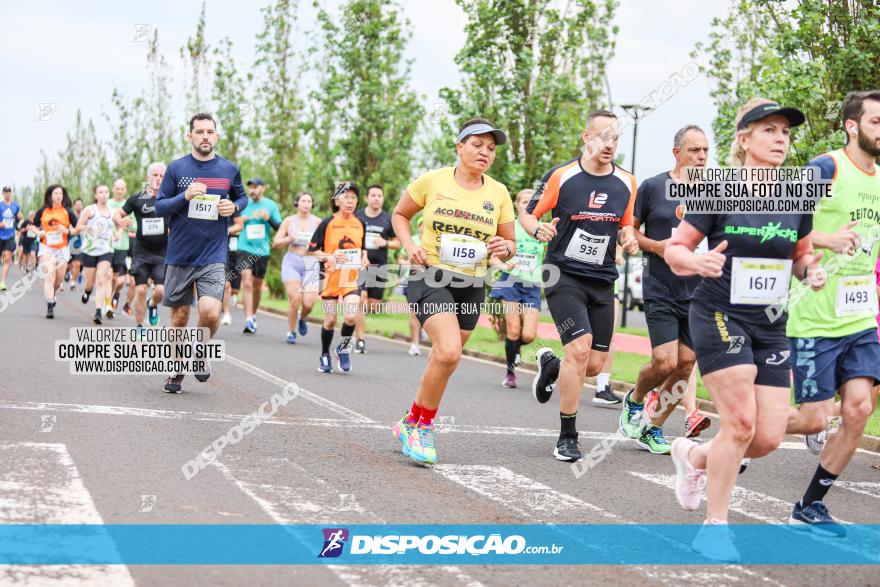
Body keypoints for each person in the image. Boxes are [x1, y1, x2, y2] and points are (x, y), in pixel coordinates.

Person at [665, 98, 822, 562]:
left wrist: (810, 270)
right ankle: (715, 527)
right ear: (744, 139)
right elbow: (676, 249)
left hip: (771, 323)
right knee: (741, 422)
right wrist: (698, 260)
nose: (780, 139)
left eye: (785, 133)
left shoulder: (797, 195)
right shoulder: (718, 189)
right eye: (770, 130)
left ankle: (693, 457)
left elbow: (800, 253)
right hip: (719, 313)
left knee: (770, 434)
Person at [391, 118, 515, 464]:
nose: (484, 153)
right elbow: (400, 215)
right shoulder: (432, 182)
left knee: (444, 359)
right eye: (477, 145)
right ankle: (422, 429)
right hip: (429, 275)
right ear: (459, 147)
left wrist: (503, 248)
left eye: (490, 149)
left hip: (472, 284)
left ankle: (410, 420)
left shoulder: (499, 193)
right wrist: (408, 245)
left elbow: (510, 245)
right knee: (447, 353)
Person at [783, 90, 880, 536]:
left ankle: (809, 504)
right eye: (876, 122)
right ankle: (738, 436)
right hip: (813, 316)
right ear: (852, 125)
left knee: (859, 409)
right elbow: (779, 222)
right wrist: (824, 242)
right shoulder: (826, 168)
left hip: (859, 316)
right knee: (813, 418)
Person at [523, 109, 640, 462]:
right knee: (580, 348)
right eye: (603, 136)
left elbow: (627, 225)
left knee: (593, 364)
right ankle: (567, 435)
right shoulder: (561, 176)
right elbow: (528, 214)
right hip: (563, 274)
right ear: (586, 138)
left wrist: (628, 239)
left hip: (602, 279)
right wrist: (536, 228)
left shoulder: (627, 182)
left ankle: (551, 366)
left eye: (615, 138)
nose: (609, 144)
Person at [619, 125, 712, 454]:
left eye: (705, 151)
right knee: (664, 362)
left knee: (686, 363)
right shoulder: (653, 187)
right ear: (677, 153)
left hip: (700, 294)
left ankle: (654, 427)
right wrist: (657, 247)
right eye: (694, 151)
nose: (701, 157)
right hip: (661, 287)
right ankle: (634, 400)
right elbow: (629, 230)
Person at [155, 112, 249, 393]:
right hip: (180, 254)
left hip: (213, 254)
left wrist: (235, 207)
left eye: (210, 131)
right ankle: (176, 368)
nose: (205, 136)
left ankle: (200, 350)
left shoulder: (229, 170)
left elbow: (241, 197)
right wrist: (184, 196)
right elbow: (159, 207)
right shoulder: (177, 169)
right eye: (200, 132)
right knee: (179, 318)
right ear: (190, 136)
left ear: (216, 136)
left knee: (210, 312)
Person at [308, 183, 369, 373]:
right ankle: (325, 353)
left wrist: (364, 258)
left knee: (351, 317)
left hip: (351, 278)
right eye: (345, 197)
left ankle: (343, 350)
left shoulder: (360, 224)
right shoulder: (327, 223)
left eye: (353, 198)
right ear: (337, 200)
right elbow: (312, 251)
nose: (349, 201)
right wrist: (330, 257)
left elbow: (363, 248)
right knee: (330, 321)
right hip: (328, 278)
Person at [489, 188, 546, 389]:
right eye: (524, 201)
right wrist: (504, 265)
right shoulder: (509, 228)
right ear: (516, 204)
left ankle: (514, 351)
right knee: (513, 330)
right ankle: (511, 373)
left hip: (532, 285)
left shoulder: (541, 229)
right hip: (510, 282)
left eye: (532, 202)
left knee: (529, 335)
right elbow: (494, 258)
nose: (528, 204)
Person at [115, 162, 169, 330]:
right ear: (148, 177)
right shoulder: (137, 199)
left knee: (160, 291)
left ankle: (152, 305)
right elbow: (118, 213)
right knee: (140, 290)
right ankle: (139, 325)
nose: (158, 179)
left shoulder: (169, 199)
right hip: (142, 253)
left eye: (162, 176)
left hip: (162, 253)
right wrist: (120, 220)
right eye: (155, 175)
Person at [354, 184, 400, 353]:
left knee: (373, 305)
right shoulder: (357, 216)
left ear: (382, 198)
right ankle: (360, 339)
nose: (376, 198)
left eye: (379, 195)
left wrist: (385, 243)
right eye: (373, 195)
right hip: (360, 264)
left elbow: (399, 242)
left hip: (380, 266)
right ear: (366, 198)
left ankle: (354, 320)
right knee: (361, 299)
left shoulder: (388, 219)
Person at [274, 191, 322, 343]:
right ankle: (291, 331)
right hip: (292, 262)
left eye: (309, 201)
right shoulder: (289, 221)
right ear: (297, 203)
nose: (306, 204)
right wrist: (289, 238)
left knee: (308, 303)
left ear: (312, 204)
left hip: (311, 264)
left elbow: (326, 244)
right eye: (303, 201)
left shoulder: (318, 222)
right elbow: (276, 242)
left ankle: (303, 317)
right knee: (295, 298)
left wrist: (314, 247)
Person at [238, 177, 282, 335]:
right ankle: (248, 318)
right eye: (250, 187)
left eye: (256, 187)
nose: (252, 190)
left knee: (257, 286)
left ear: (263, 188)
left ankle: (254, 315)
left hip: (262, 250)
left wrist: (268, 218)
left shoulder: (270, 205)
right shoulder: (243, 204)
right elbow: (232, 224)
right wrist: (239, 221)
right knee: (247, 281)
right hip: (244, 247)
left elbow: (281, 228)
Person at [33, 185, 79, 318]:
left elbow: (76, 229)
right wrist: (39, 232)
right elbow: (33, 226)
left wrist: (67, 231)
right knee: (49, 275)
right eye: (55, 193)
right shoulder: (43, 210)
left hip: (62, 249)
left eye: (60, 193)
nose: (58, 196)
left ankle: (52, 294)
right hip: (46, 247)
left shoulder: (68, 211)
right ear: (50, 196)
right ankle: (49, 306)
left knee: (58, 280)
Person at [76, 185, 115, 324]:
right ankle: (87, 292)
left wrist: (118, 233)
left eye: (106, 192)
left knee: (101, 279)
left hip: (106, 250)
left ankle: (98, 311)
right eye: (101, 192)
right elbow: (78, 227)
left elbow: (120, 224)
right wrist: (88, 227)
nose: (104, 194)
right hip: (90, 250)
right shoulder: (90, 210)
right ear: (96, 195)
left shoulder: (113, 211)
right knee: (90, 283)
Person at [591, 248, 625, 406]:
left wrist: (620, 251)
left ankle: (602, 388)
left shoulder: (615, 223)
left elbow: (623, 238)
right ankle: (554, 368)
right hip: (580, 284)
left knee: (609, 337)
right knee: (581, 338)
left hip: (609, 286)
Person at [108, 179, 136, 314]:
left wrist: (127, 225)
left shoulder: (129, 204)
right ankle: (107, 305)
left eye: (122, 188)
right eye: (117, 188)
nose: (119, 191)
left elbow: (136, 226)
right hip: (107, 246)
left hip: (123, 246)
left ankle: (116, 294)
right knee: (108, 277)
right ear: (113, 189)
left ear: (125, 190)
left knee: (119, 281)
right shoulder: (108, 204)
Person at [221, 212, 243, 326]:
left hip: (236, 248)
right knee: (226, 285)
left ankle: (223, 303)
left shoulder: (235, 203)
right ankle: (227, 314)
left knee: (235, 289)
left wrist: (228, 230)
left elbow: (240, 225)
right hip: (221, 248)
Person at [0, 186, 22, 291]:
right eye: (6, 192)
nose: (8, 194)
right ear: (3, 193)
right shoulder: (0, 206)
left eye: (9, 192)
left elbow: (18, 217)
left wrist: (19, 217)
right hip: (0, 235)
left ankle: (3, 282)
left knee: (8, 258)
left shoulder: (15, 206)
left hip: (10, 236)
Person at [66, 197, 84, 291]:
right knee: (67, 265)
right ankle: (64, 276)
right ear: (74, 206)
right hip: (68, 242)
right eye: (77, 204)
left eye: (80, 204)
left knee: (77, 264)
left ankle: (73, 283)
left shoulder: (85, 215)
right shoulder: (69, 215)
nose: (79, 206)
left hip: (78, 243)